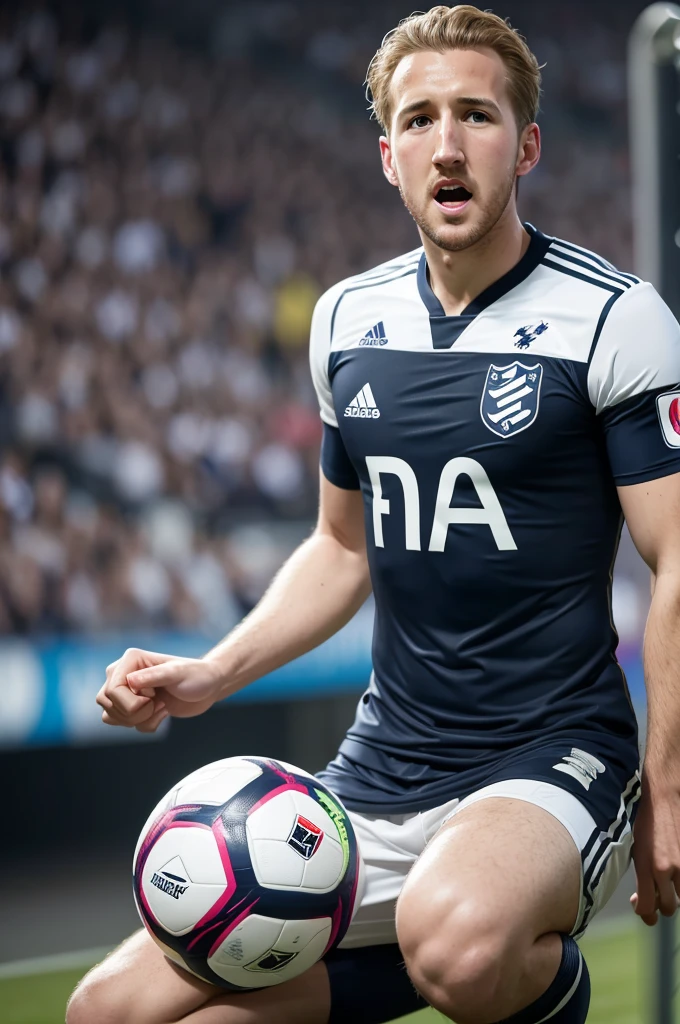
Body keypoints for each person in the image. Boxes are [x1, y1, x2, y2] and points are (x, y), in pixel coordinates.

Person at [67, 6, 680, 1024]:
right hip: (380, 762)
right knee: (106, 1010)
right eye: (420, 117)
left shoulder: (614, 318)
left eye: (476, 116)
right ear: (385, 153)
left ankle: (541, 981)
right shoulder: (349, 319)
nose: (447, 143)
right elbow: (338, 547)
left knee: (461, 939)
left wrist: (667, 775)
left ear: (523, 146)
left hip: (551, 754)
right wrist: (210, 673)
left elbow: (676, 560)